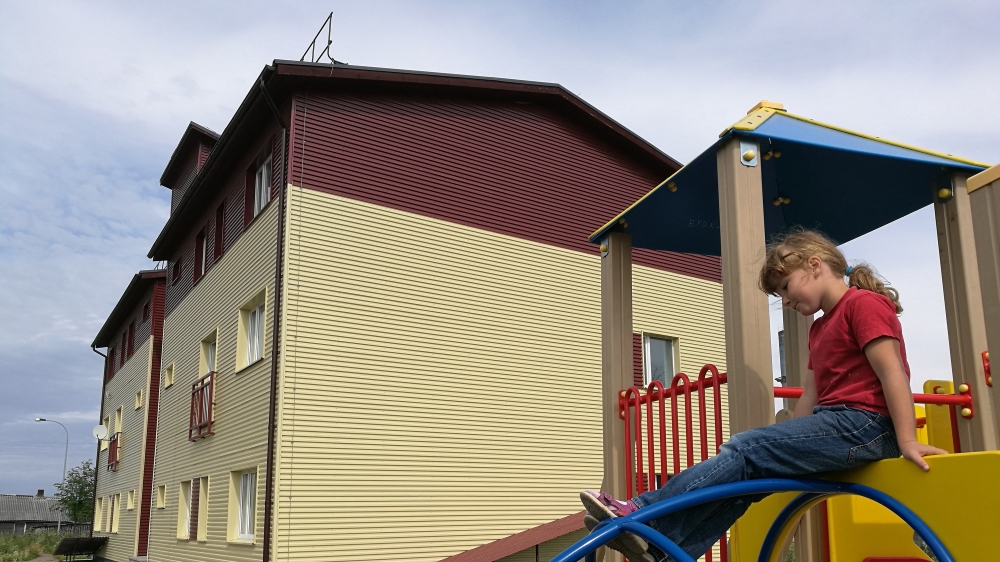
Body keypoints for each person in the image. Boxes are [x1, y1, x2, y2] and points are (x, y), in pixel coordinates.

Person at [580, 229, 948, 562]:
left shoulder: (863, 305)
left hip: (866, 425)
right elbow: (813, 394)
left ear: (815, 265)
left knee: (745, 448)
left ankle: (644, 512)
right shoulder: (819, 328)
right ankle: (669, 545)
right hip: (838, 425)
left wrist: (907, 439)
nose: (785, 301)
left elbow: (892, 373)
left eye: (786, 287)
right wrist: (791, 436)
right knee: (748, 476)